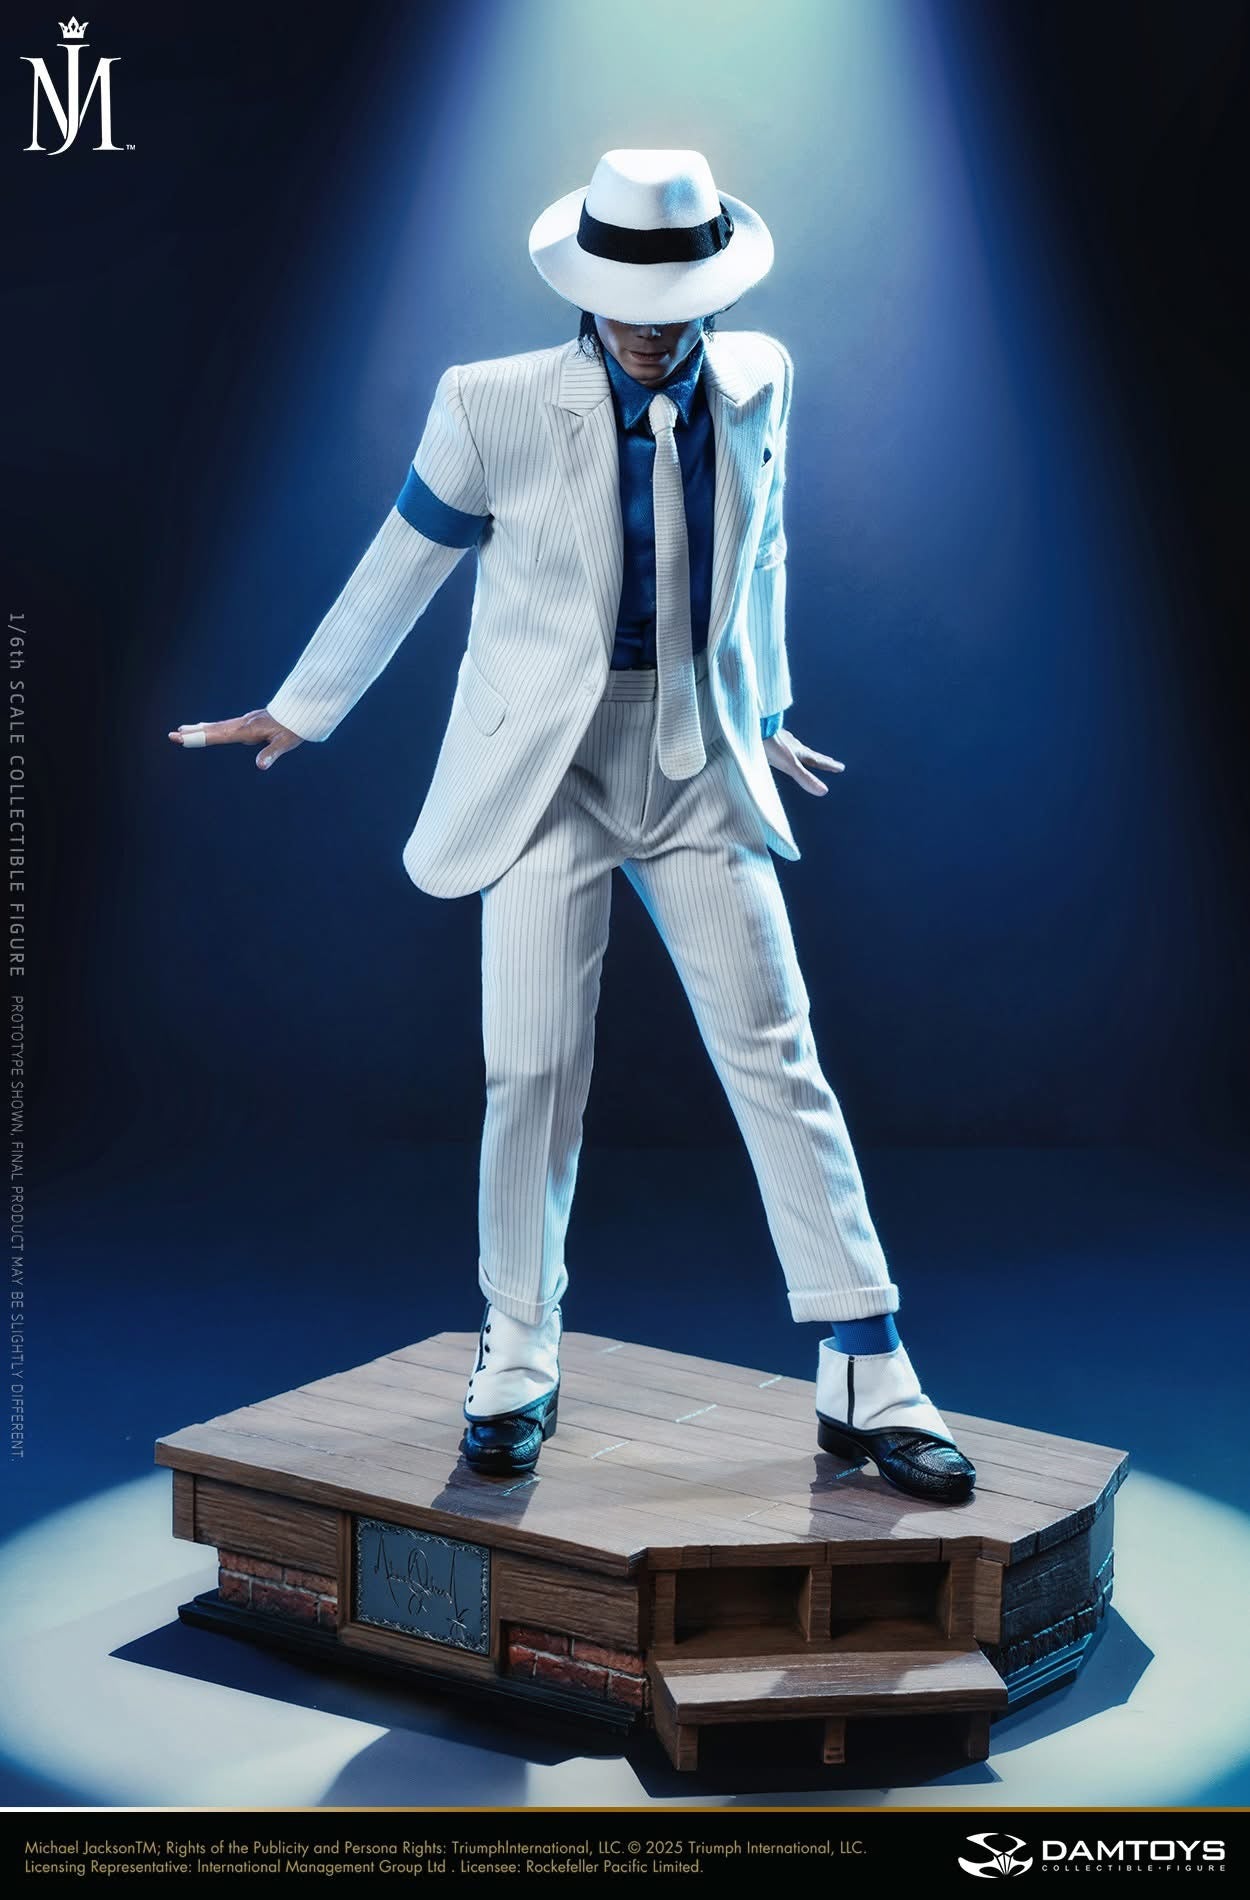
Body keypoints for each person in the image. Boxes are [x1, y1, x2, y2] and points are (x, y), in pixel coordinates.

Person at [168, 149, 976, 1503]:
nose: (651, 327)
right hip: (545, 769)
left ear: (720, 290)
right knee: (532, 1069)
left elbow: (765, 543)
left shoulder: (760, 379)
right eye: (626, 301)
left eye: (677, 300)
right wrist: (302, 709)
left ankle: (864, 1360)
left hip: (698, 757)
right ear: (582, 288)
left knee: (776, 1051)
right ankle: (519, 1348)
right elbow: (405, 556)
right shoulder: (487, 403)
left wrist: (768, 706)